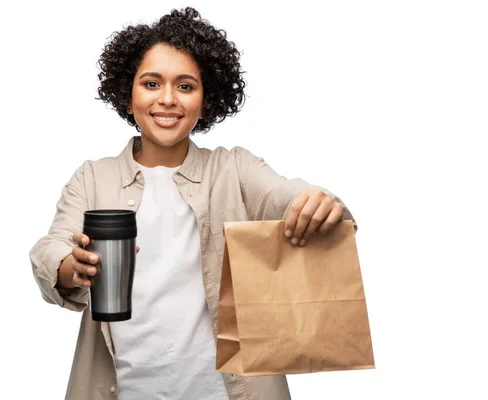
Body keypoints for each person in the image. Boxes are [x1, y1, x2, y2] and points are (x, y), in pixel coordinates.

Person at [30, 7, 355, 400]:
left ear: (205, 100)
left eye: (185, 86)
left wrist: (319, 201)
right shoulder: (93, 177)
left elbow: (288, 196)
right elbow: (52, 249)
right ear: (128, 94)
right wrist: (72, 266)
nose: (167, 99)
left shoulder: (233, 169)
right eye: (151, 84)